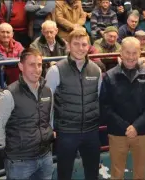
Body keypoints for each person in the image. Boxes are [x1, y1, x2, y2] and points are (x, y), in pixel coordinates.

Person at [45, 29, 102, 180]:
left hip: (91, 131)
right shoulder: (55, 70)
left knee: (93, 174)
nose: (80, 48)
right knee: (64, 174)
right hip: (66, 132)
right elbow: (46, 104)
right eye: (76, 44)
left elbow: (99, 98)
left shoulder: (96, 70)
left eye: (84, 44)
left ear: (89, 46)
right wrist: (50, 128)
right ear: (68, 46)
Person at [0, 48, 54, 179]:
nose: (37, 69)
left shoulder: (48, 91)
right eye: (31, 64)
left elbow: (49, 120)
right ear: (20, 66)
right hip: (20, 163)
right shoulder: (8, 95)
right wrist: (14, 148)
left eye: (39, 64)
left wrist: (47, 135)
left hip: (45, 156)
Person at [100, 36, 145, 179]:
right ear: (121, 53)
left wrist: (136, 126)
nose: (131, 57)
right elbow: (105, 105)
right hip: (118, 133)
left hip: (142, 132)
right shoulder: (109, 76)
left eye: (135, 53)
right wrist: (125, 127)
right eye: (127, 52)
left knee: (140, 173)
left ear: (140, 53)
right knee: (117, 173)